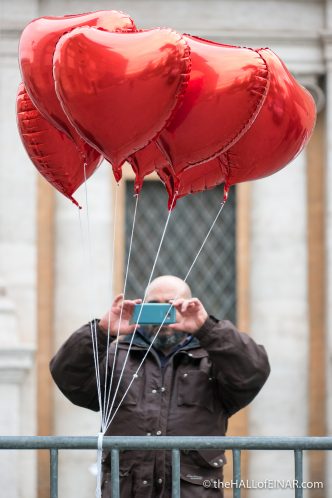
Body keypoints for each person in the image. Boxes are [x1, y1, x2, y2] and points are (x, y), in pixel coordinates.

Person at [50, 275, 270, 498]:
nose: (163, 313)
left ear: (189, 306)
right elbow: (68, 377)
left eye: (173, 305)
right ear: (142, 309)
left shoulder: (213, 361)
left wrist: (207, 328)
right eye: (154, 305)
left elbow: (252, 372)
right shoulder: (117, 356)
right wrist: (102, 331)